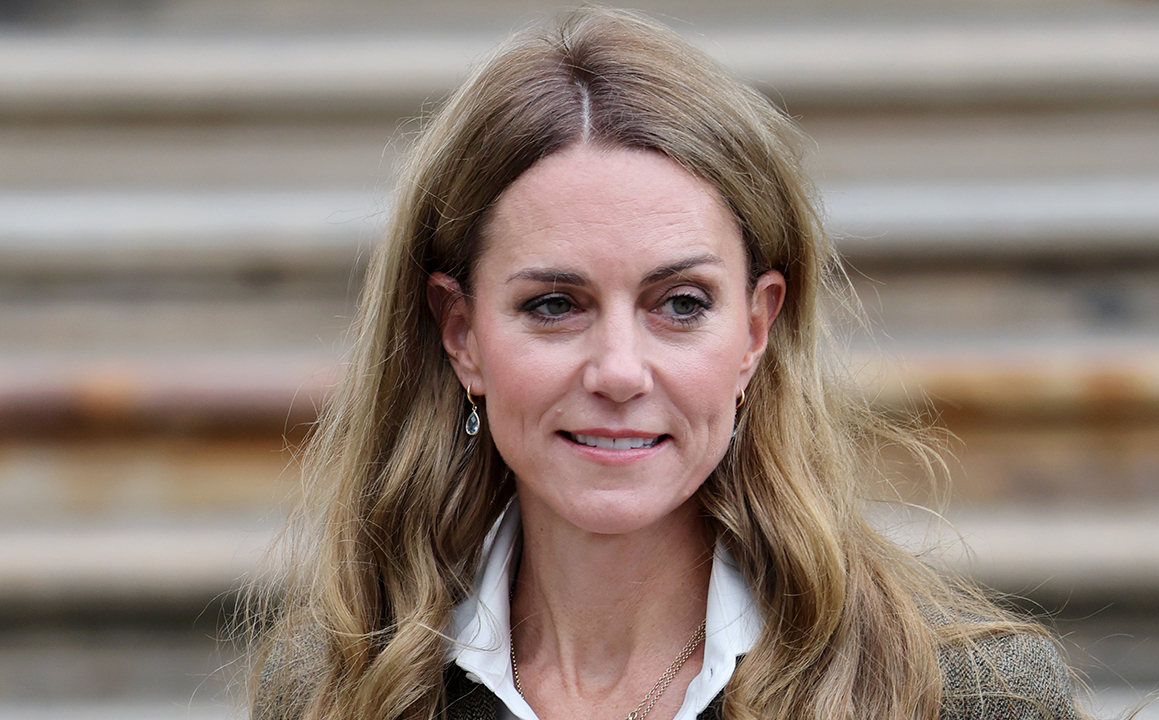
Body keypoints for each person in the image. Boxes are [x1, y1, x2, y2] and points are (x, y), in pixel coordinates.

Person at [248, 7, 1086, 720]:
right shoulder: (336, 688)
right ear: (460, 334)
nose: (619, 371)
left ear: (757, 329)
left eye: (680, 304)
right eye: (554, 305)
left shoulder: (962, 697)